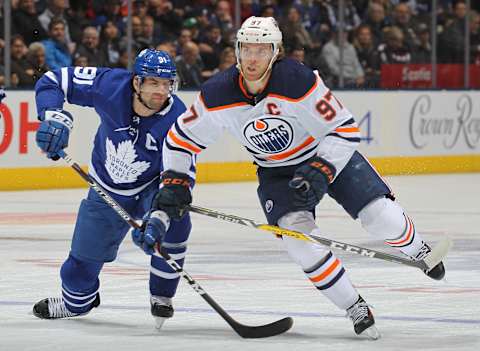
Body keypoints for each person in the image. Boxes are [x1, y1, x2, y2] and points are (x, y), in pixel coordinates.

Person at [136, 17, 446, 339]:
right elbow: (179, 141)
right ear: (237, 51)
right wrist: (174, 182)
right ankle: (354, 305)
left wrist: (321, 170)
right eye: (246, 49)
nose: (252, 58)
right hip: (277, 173)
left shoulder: (298, 80)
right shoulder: (216, 94)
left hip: (325, 154)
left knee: (378, 216)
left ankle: (418, 249)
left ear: (275, 52)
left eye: (261, 50)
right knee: (301, 243)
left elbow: (344, 129)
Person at [32, 49, 194, 330]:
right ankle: (75, 304)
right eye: (154, 83)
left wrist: (159, 217)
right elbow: (52, 80)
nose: (161, 91)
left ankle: (161, 294)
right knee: (77, 270)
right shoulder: (109, 85)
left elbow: (179, 179)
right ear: (136, 82)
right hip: (106, 188)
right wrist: (54, 116)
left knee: (176, 223)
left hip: (150, 189)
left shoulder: (178, 119)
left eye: (166, 83)